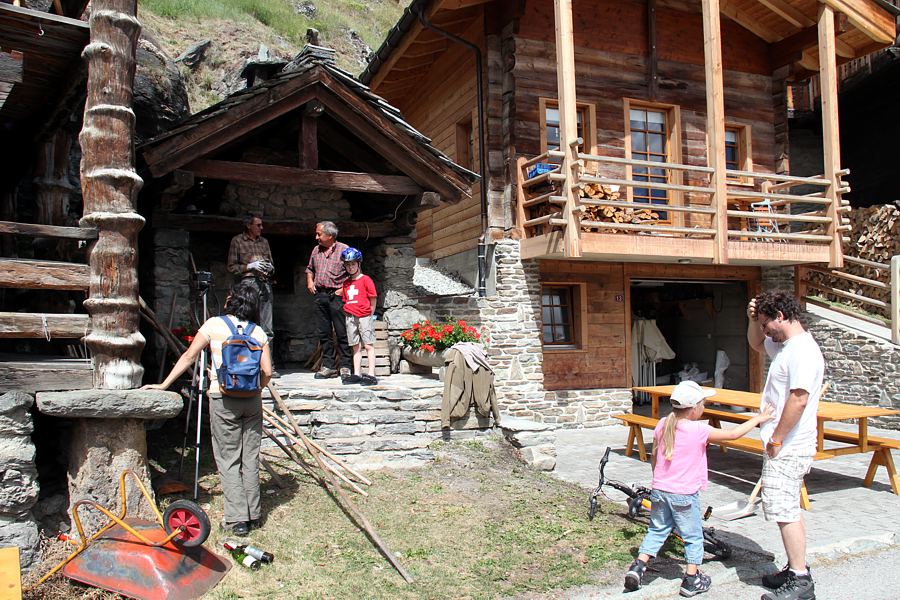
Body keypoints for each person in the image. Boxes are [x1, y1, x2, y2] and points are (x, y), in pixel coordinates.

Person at [143, 282, 272, 537]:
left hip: (223, 398)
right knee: (249, 457)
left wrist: (164, 384)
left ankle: (237, 519)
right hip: (252, 400)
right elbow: (267, 371)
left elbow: (189, 356)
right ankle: (254, 513)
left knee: (228, 458)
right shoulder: (258, 331)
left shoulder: (214, 325)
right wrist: (257, 388)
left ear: (231, 300)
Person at [624, 381, 773, 597]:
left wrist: (658, 479)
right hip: (684, 495)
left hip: (660, 490)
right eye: (703, 403)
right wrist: (759, 418)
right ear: (694, 408)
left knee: (657, 530)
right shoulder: (699, 430)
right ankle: (692, 578)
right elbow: (733, 434)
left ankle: (638, 567)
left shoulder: (663, 423)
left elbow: (655, 455)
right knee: (693, 536)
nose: (704, 406)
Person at [747, 290, 824, 600]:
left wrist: (777, 438)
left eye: (766, 324)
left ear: (780, 316)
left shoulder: (802, 350)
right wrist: (752, 319)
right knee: (784, 508)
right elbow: (756, 344)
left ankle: (801, 581)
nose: (765, 331)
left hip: (790, 445)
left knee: (785, 509)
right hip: (784, 443)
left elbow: (799, 398)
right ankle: (794, 569)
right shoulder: (784, 344)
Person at [305, 221, 352, 381]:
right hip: (321, 295)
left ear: (330, 235)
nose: (316, 237)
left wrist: (342, 290)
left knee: (342, 332)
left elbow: (354, 272)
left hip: (337, 296)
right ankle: (329, 366)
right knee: (324, 333)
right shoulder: (316, 250)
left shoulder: (344, 250)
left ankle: (345, 366)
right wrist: (310, 281)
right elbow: (309, 269)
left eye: (319, 234)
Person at [227, 213, 275, 343]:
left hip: (265, 283)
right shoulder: (238, 241)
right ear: (249, 225)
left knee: (267, 326)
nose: (261, 228)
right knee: (245, 320)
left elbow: (271, 264)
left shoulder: (264, 242)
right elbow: (231, 267)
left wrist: (270, 268)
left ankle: (267, 355)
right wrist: (250, 266)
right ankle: (246, 352)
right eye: (258, 225)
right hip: (247, 284)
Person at [336, 247, 378, 386]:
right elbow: (346, 299)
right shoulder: (346, 283)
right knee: (355, 346)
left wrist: (370, 314)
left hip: (364, 316)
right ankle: (357, 373)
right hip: (350, 316)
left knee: (368, 345)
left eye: (353, 264)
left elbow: (373, 298)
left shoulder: (366, 280)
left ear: (358, 264)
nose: (350, 267)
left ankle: (371, 374)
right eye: (347, 265)